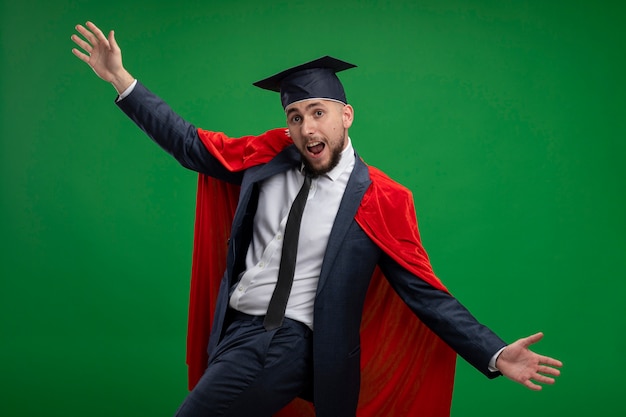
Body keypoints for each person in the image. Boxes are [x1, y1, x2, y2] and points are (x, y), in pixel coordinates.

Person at [71, 21, 562, 417]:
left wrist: (495, 354)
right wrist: (121, 79)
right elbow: (190, 144)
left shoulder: (381, 198)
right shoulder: (268, 155)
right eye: (296, 116)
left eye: (319, 112)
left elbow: (425, 293)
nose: (307, 127)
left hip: (287, 339)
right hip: (232, 330)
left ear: (345, 115)